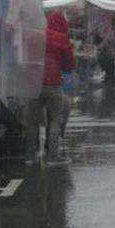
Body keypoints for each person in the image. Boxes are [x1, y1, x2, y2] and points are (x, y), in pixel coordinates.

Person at [25, 10, 75, 166]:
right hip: (53, 84)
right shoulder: (61, 38)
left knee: (32, 121)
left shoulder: (33, 36)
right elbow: (69, 64)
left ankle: (30, 156)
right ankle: (52, 156)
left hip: (33, 84)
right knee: (55, 119)